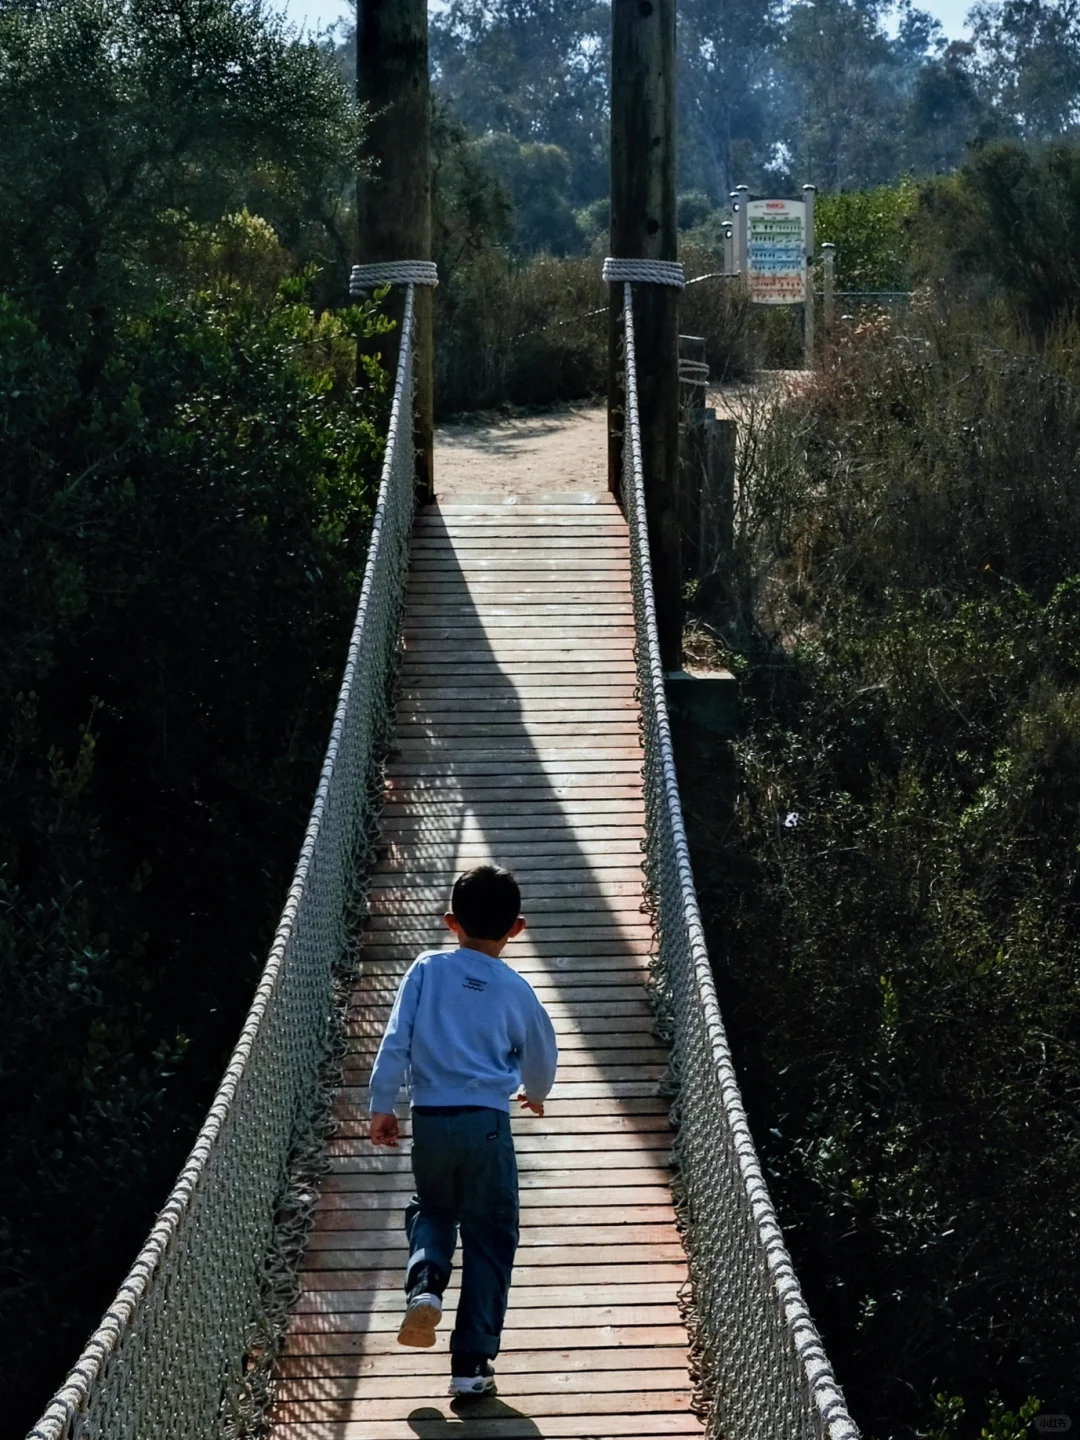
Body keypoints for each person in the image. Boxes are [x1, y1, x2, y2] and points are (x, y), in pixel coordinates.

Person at [368, 864, 559, 1398]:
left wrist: (384, 1106)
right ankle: (471, 1367)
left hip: (430, 1120)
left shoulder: (426, 970)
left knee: (432, 1209)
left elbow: (395, 1040)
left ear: (451, 922)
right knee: (490, 1238)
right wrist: (536, 1094)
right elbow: (542, 1051)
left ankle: (425, 1285)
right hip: (487, 1126)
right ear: (516, 929)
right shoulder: (515, 987)